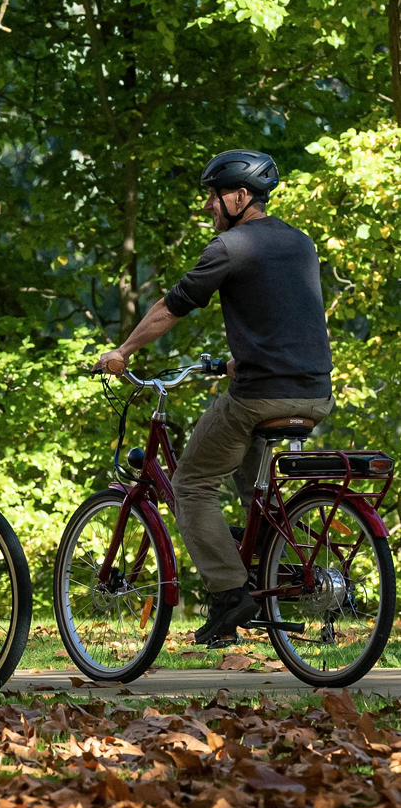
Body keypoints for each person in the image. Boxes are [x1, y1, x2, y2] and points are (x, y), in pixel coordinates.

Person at [93, 148, 334, 648]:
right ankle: (276, 570)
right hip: (314, 393)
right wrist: (236, 361)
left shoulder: (230, 246)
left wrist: (122, 351)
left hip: (259, 396)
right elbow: (288, 315)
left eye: (212, 195)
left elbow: (171, 307)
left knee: (192, 484)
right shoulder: (301, 244)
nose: (207, 206)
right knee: (251, 481)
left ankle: (230, 594)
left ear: (240, 196)